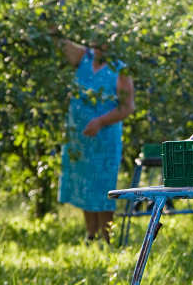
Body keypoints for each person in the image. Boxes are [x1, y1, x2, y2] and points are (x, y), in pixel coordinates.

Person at [55, 29, 135, 243]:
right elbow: (61, 43)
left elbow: (127, 108)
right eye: (96, 43)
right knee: (84, 184)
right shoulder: (84, 58)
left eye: (104, 44)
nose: (99, 47)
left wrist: (100, 121)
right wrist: (50, 26)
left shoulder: (120, 70)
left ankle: (108, 238)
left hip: (104, 139)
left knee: (103, 187)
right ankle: (91, 236)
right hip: (79, 138)